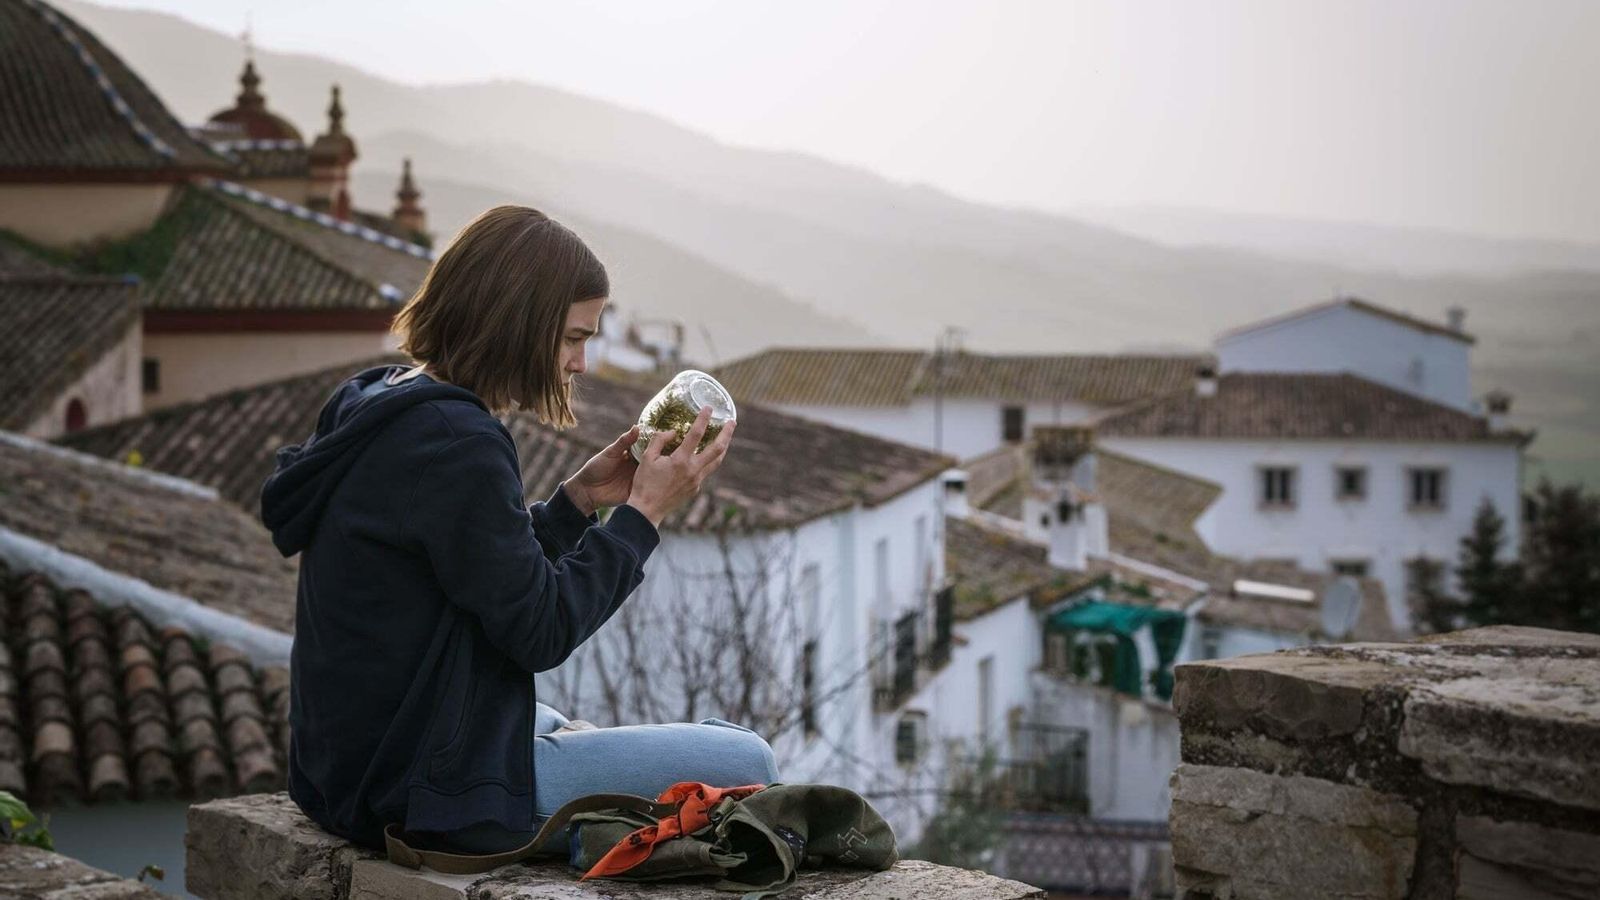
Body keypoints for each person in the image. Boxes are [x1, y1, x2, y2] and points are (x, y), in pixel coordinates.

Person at [259, 205, 779, 855]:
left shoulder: (378, 400)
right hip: (418, 792)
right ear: (516, 324)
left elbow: (482, 572)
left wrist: (579, 501)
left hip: (343, 771)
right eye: (572, 338)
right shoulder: (460, 442)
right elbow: (540, 630)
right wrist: (642, 516)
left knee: (568, 727)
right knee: (748, 761)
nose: (582, 362)